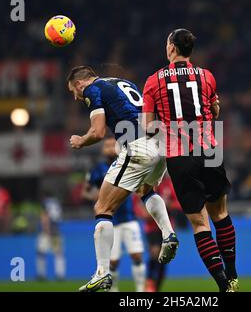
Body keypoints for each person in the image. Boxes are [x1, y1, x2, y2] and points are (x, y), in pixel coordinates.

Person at [142, 29, 238, 292]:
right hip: (209, 149)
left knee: (199, 223)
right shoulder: (207, 77)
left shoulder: (153, 81)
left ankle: (223, 285)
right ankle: (232, 273)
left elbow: (147, 127)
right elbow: (214, 109)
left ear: (172, 48)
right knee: (221, 213)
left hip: (179, 156)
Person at [67, 66, 178, 292]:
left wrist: (81, 140)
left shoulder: (92, 90)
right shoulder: (120, 81)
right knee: (145, 190)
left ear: (80, 84)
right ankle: (168, 234)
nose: (76, 96)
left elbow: (98, 132)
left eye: (73, 91)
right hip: (160, 143)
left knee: (102, 207)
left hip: (137, 146)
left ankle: (102, 273)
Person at [82, 136, 146, 292]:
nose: (110, 148)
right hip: (111, 221)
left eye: (113, 145)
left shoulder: (128, 164)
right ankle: (114, 289)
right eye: (107, 146)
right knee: (114, 262)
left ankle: (141, 290)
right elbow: (85, 191)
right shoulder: (97, 169)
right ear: (103, 150)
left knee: (137, 256)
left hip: (130, 219)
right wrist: (101, 198)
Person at [36, 191, 66, 281]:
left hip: (47, 231)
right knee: (59, 253)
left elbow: (45, 216)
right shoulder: (56, 202)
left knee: (41, 253)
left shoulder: (45, 202)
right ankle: (60, 275)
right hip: (56, 231)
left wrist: (46, 230)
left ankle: (41, 274)